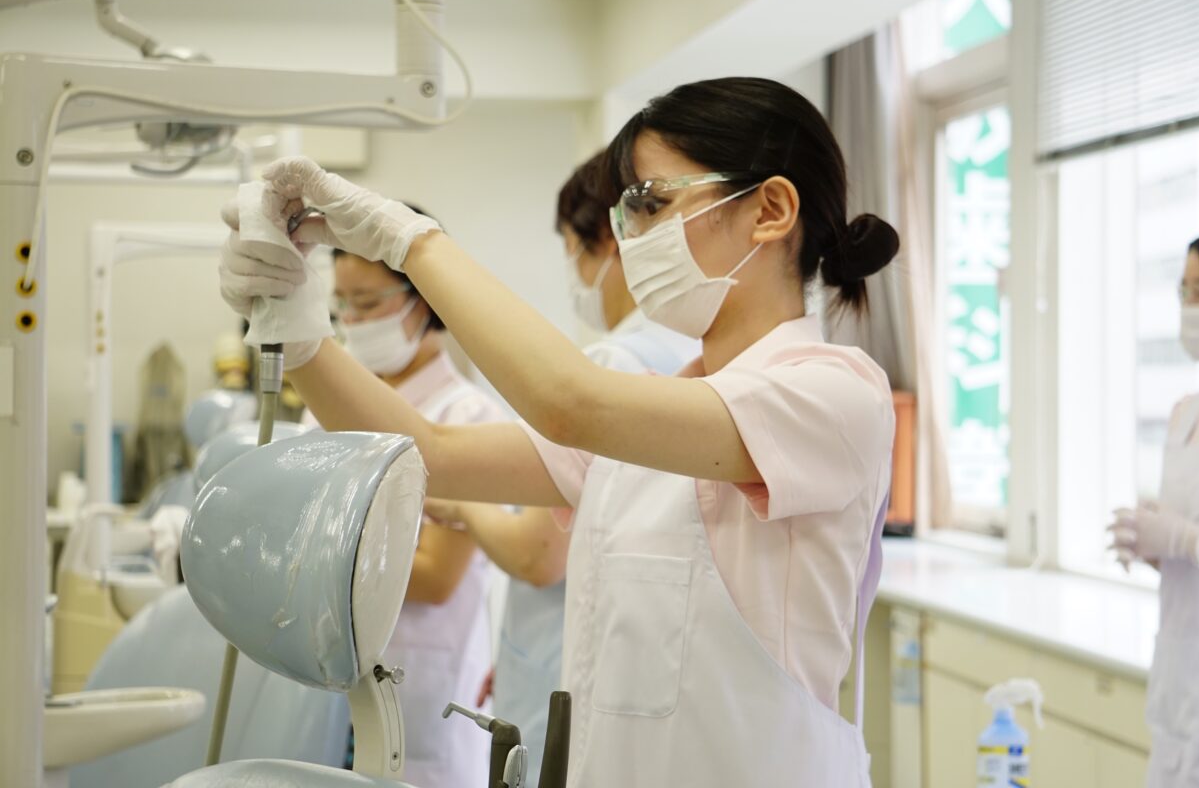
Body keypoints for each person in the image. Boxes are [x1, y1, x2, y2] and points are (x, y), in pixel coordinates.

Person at [219, 76, 899, 786]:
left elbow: (571, 404)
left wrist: (410, 243)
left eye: (652, 204)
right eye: (627, 214)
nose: (631, 240)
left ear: (771, 209)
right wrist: (299, 332)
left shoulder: (834, 394)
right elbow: (431, 453)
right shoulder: (653, 414)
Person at [423, 151, 699, 786]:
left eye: (573, 251)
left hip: (573, 680)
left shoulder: (615, 365)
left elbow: (537, 555)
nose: (574, 274)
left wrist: (462, 506)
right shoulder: (691, 353)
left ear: (609, 237)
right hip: (618, 671)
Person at [302, 210, 504, 788]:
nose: (352, 321)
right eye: (342, 304)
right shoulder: (327, 414)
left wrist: (313, 560)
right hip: (325, 684)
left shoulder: (467, 416)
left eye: (368, 303)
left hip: (419, 684)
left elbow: (437, 576)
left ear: (425, 300)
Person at [1110, 236, 1199, 788]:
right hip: (1178, 680)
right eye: (1185, 291)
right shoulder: (1183, 416)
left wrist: (1182, 538)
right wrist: (1152, 544)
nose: (1190, 307)